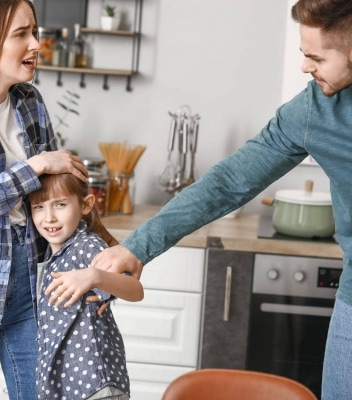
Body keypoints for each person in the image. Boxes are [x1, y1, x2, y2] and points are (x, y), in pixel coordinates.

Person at [91, 1, 352, 399]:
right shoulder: (314, 111)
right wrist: (138, 247)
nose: (305, 67)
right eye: (303, 54)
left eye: (316, 57)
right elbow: (229, 182)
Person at [0, 1, 111, 398]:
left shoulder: (29, 101)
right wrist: (36, 166)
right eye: (21, 34)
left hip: (29, 281)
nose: (36, 44)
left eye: (34, 32)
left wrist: (105, 257)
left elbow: (57, 197)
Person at [28, 173, 143, 400]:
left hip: (95, 385)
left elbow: (135, 290)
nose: (49, 217)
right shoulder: (52, 253)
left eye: (60, 205)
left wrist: (94, 276)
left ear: (86, 205)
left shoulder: (87, 246)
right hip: (67, 386)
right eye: (38, 207)